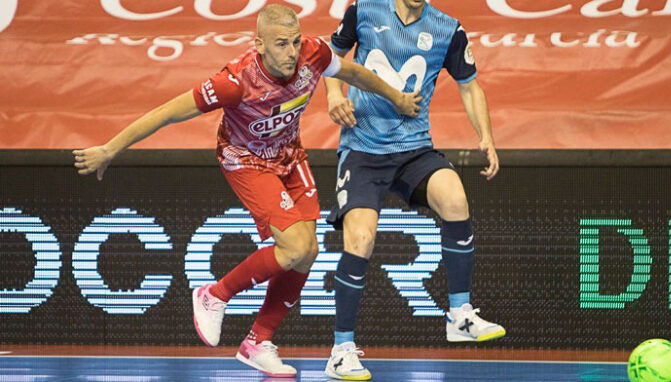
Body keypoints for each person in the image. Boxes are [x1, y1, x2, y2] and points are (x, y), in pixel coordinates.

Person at [72, 4, 420, 379]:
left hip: (289, 155)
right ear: (259, 44)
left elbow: (353, 72)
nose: (291, 52)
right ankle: (214, 294)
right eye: (282, 44)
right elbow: (167, 112)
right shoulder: (235, 82)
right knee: (295, 247)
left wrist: (396, 98)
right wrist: (109, 149)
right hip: (246, 159)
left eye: (295, 42)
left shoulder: (314, 54)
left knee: (307, 253)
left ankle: (258, 341)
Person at [322, 0, 504, 379]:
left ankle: (460, 314)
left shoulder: (447, 28)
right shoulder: (364, 11)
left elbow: (470, 87)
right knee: (360, 239)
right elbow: (331, 57)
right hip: (362, 151)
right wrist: (334, 96)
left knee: (455, 198)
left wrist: (485, 135)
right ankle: (341, 350)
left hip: (414, 149)